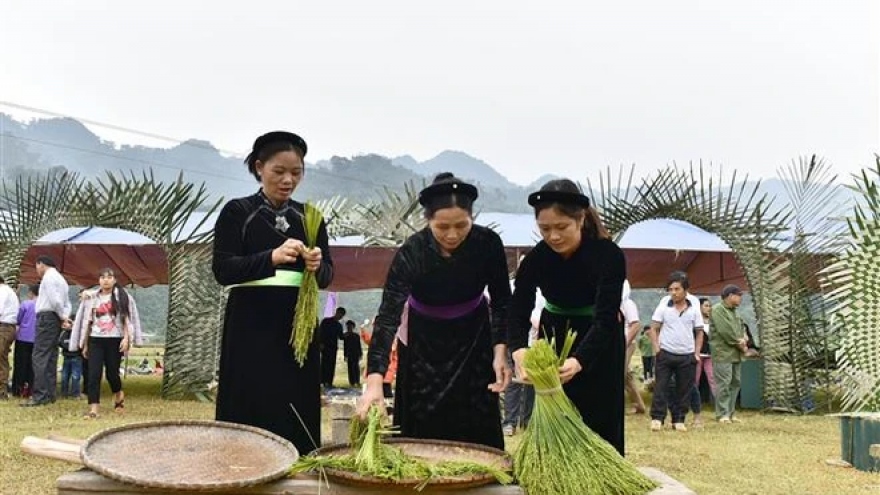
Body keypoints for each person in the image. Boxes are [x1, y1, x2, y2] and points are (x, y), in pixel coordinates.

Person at [358, 172, 512, 450]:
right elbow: (388, 317)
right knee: (421, 427)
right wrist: (375, 380)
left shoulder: (488, 244)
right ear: (428, 220)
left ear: (472, 217)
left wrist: (500, 351)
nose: (452, 234)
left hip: (474, 339)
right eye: (442, 227)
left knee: (475, 421)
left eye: (461, 225)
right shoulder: (411, 252)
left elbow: (502, 301)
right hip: (423, 344)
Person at [212, 131, 333, 454]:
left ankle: (299, 462)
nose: (288, 180)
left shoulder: (310, 217)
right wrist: (271, 258)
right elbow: (223, 270)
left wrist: (317, 264)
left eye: (296, 173)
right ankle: (240, 463)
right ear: (259, 167)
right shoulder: (237, 212)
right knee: (249, 393)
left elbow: (327, 276)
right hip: (250, 320)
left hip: (298, 324)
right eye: (279, 172)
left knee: (296, 397)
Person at [509, 179, 627, 455]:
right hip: (554, 335)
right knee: (555, 408)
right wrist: (518, 350)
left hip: (600, 340)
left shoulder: (608, 255)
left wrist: (580, 359)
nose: (553, 237)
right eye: (545, 229)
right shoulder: (537, 258)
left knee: (599, 413)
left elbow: (606, 317)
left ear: (581, 219)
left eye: (562, 227)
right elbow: (518, 307)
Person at [70, 269, 143, 418]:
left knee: (112, 374)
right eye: (102, 277)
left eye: (109, 277)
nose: (106, 280)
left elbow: (126, 319)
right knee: (93, 374)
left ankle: (118, 393)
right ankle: (94, 409)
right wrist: (84, 343)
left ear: (115, 280)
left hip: (114, 339)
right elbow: (85, 321)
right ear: (99, 280)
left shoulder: (123, 297)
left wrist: (126, 338)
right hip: (95, 339)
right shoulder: (91, 298)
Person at [648, 271, 704, 432]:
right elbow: (653, 327)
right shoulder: (664, 303)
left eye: (677, 289)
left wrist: (696, 353)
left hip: (687, 354)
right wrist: (656, 348)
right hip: (666, 352)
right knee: (661, 386)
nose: (673, 292)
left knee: (684, 389)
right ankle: (657, 418)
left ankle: (679, 419)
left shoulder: (694, 305)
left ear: (685, 290)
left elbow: (699, 331)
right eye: (670, 289)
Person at [22, 255, 71, 407]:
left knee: (40, 355)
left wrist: (62, 316)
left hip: (47, 316)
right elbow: (66, 302)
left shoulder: (49, 278)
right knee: (51, 356)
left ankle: (40, 395)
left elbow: (54, 299)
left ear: (41, 264)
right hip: (55, 317)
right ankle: (50, 393)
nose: (37, 270)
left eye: (37, 267)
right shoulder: (62, 279)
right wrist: (65, 316)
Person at [709, 284, 747, 423]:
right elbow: (725, 331)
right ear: (731, 296)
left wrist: (744, 338)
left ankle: (731, 413)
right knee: (723, 383)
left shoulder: (735, 311)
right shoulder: (718, 310)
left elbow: (742, 327)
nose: (740, 299)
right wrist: (739, 343)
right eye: (739, 295)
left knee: (735, 382)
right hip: (723, 353)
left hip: (736, 353)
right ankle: (722, 414)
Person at [621, 280, 646, 414]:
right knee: (626, 376)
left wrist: (623, 343)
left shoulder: (628, 304)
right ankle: (640, 405)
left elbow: (636, 325)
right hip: (615, 344)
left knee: (619, 374)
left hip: (627, 344)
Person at [12, 284, 38, 397]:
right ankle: (31, 388)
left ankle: (18, 389)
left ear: (31, 293)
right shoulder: (43, 306)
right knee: (33, 365)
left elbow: (18, 319)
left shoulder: (25, 304)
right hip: (36, 339)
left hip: (23, 338)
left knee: (20, 364)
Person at [0, 275, 20, 399]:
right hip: (7, 327)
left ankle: (1, 391)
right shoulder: (9, 291)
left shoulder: (2, 291)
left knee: (0, 359)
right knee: (2, 358)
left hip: (3, 327)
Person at [319, 307, 346, 388]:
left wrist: (348, 334)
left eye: (342, 315)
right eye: (340, 314)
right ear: (337, 312)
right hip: (325, 346)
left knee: (331, 364)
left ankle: (329, 382)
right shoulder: (326, 321)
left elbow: (341, 337)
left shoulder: (339, 325)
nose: (340, 316)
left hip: (333, 347)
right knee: (324, 363)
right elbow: (320, 332)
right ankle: (322, 381)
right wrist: (320, 343)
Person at [58, 321, 82, 399]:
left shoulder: (78, 333)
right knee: (64, 376)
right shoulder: (63, 333)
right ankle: (64, 393)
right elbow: (60, 342)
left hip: (76, 357)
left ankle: (75, 394)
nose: (65, 324)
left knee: (76, 376)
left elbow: (81, 343)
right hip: (66, 358)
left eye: (68, 322)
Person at [342, 319, 362, 387]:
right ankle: (352, 382)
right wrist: (345, 355)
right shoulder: (345, 336)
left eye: (350, 326)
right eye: (348, 326)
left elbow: (359, 345)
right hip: (349, 354)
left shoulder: (356, 336)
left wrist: (360, 354)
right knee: (350, 368)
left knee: (356, 367)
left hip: (355, 353)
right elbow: (345, 346)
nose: (349, 328)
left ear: (353, 327)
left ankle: (357, 381)